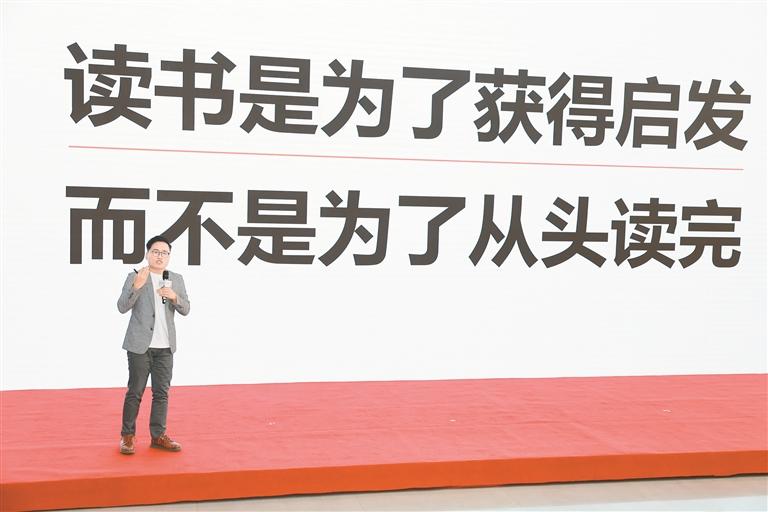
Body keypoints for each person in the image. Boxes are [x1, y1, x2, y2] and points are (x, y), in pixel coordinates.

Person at [116, 235, 190, 455]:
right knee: (135, 392)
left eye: (164, 253)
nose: (160, 256)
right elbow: (122, 306)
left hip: (165, 347)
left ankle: (158, 436)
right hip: (140, 345)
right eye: (155, 252)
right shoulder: (136, 276)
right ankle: (127, 436)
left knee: (161, 394)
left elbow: (186, 309)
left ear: (169, 256)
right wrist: (137, 286)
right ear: (147, 254)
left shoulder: (176, 279)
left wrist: (174, 297)